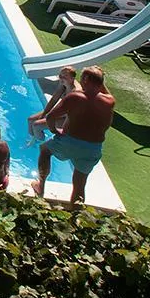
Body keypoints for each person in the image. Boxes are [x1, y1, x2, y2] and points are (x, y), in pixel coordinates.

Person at [30, 66, 116, 203]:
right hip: (93, 148)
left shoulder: (76, 97)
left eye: (82, 78)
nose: (79, 81)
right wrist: (99, 78)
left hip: (70, 142)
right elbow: (103, 91)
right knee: (79, 186)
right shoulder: (110, 101)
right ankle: (76, 216)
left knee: (45, 150)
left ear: (86, 79)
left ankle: (40, 185)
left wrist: (54, 131)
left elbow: (51, 117)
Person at [27, 66, 78, 138]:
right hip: (63, 113)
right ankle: (32, 140)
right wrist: (44, 114)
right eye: (60, 76)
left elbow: (67, 113)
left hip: (70, 120)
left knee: (37, 125)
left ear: (72, 79)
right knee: (30, 120)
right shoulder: (64, 84)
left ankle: (39, 144)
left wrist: (48, 116)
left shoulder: (75, 93)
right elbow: (54, 99)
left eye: (65, 77)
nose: (61, 78)